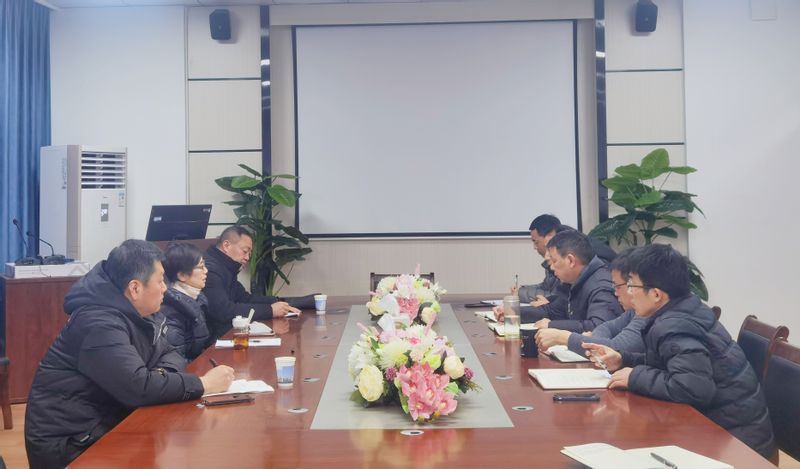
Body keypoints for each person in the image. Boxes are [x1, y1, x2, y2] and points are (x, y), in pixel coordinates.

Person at [25, 240, 234, 469]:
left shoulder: (142, 310)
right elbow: (138, 388)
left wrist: (159, 376)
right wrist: (204, 384)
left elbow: (172, 351)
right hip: (73, 443)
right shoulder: (98, 323)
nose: (165, 288)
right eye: (160, 281)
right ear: (135, 288)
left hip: (109, 421)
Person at [582, 244, 775, 459]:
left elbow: (692, 389)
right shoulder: (684, 309)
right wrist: (623, 360)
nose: (628, 292)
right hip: (728, 432)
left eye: (631, 285)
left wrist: (635, 376)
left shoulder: (675, 325)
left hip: (737, 447)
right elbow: (672, 364)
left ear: (656, 294)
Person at [535, 248, 646, 354]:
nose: (615, 293)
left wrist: (564, 338)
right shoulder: (633, 312)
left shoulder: (646, 313)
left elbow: (617, 347)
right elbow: (605, 327)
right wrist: (594, 339)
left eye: (618, 286)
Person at [203, 225, 301, 339]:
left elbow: (245, 298)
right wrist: (270, 310)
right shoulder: (210, 270)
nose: (247, 257)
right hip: (212, 340)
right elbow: (224, 311)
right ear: (226, 245)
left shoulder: (225, 267)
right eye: (245, 251)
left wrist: (277, 302)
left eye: (249, 253)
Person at [532, 230, 622, 332]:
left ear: (571, 261)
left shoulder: (601, 287)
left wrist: (552, 325)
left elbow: (598, 327)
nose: (551, 267)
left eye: (554, 261)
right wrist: (518, 312)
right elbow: (554, 312)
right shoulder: (574, 280)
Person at [160, 242, 213, 360]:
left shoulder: (197, 299)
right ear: (182, 275)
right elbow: (176, 360)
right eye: (201, 267)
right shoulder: (171, 311)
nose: (206, 271)